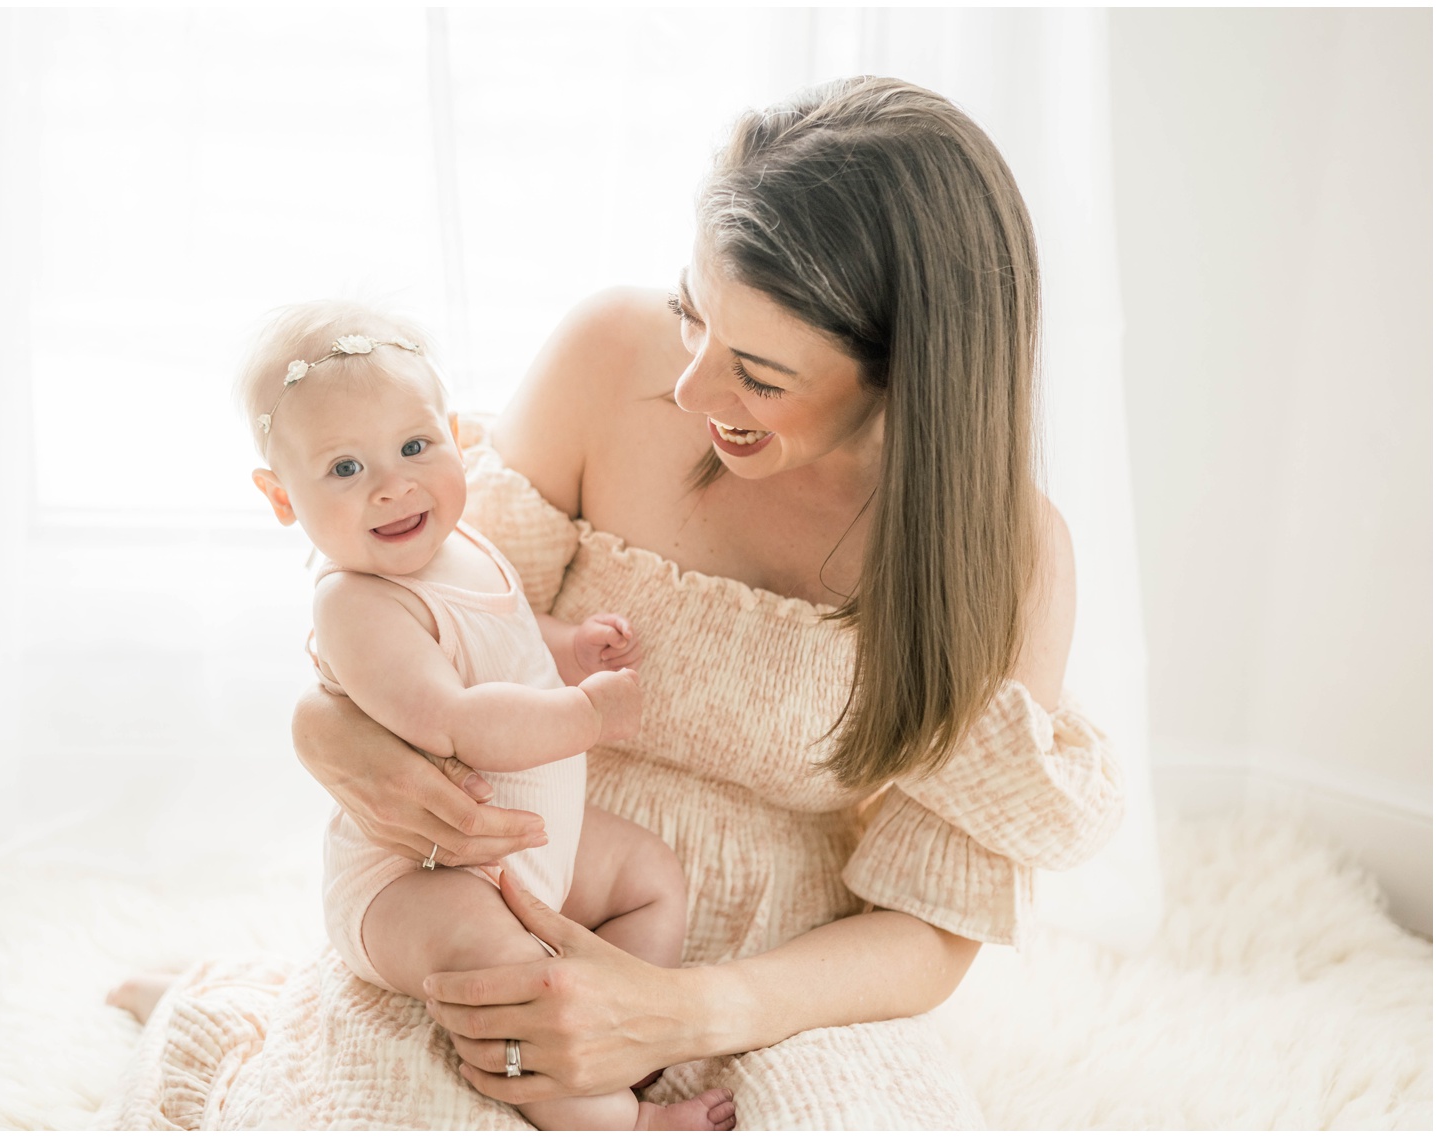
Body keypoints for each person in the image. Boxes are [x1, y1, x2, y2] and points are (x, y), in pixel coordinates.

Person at [101, 75, 1123, 1129]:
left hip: (787, 984)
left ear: (908, 373)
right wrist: (324, 728)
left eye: (756, 375)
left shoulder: (1007, 559)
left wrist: (679, 1010)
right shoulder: (605, 357)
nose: (686, 393)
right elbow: (431, 614)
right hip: (516, 886)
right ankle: (244, 1004)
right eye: (692, 315)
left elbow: (930, 924)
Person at [227, 301, 733, 1131]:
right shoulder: (354, 604)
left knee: (650, 878)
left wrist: (568, 648)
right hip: (414, 884)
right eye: (344, 469)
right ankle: (611, 1120)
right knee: (512, 973)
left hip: (522, 848)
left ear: (456, 435)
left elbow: (499, 637)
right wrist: (584, 715)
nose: (393, 483)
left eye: (414, 447)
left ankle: (625, 1049)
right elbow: (457, 719)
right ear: (282, 497)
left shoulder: (458, 545)